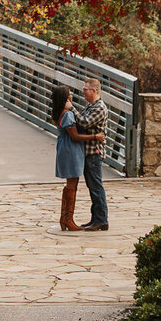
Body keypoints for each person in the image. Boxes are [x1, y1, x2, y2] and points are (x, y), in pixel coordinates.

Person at [50, 84, 101, 232]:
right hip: (71, 150)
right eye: (69, 94)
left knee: (69, 185)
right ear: (65, 98)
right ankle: (68, 220)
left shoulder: (60, 112)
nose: (72, 96)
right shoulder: (68, 114)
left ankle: (64, 218)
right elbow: (75, 136)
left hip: (64, 148)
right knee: (72, 185)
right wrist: (95, 136)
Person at [74, 78, 110, 230]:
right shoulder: (91, 106)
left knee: (96, 186)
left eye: (85, 89)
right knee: (92, 186)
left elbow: (83, 122)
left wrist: (71, 109)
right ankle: (95, 218)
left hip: (94, 153)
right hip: (88, 152)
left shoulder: (99, 108)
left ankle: (101, 220)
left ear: (94, 90)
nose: (83, 92)